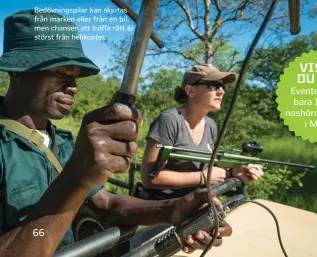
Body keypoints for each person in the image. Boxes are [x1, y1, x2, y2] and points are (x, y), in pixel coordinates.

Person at [0, 10, 232, 257]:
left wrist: (172, 209)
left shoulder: (64, 143)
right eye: (60, 73)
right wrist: (77, 176)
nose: (74, 87)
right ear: (18, 70)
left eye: (75, 76)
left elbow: (105, 203)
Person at [141, 64, 264, 198]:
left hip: (195, 203)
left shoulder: (210, 125)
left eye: (222, 86)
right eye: (214, 85)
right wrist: (202, 177)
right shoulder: (169, 120)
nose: (221, 91)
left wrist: (234, 173)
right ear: (190, 90)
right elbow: (148, 178)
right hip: (163, 205)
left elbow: (206, 170)